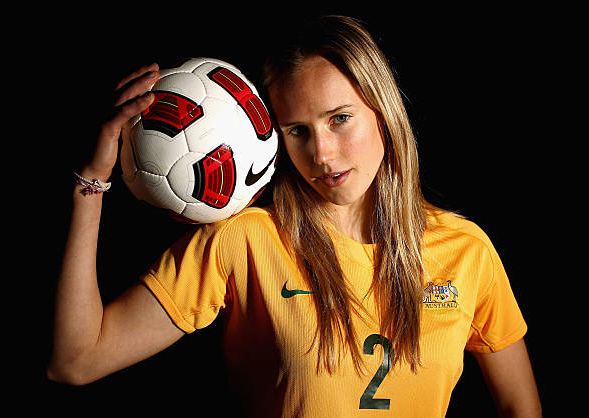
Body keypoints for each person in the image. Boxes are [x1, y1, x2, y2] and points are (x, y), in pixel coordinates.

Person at [47, 15, 541, 417]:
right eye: (298, 131)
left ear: (383, 113)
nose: (323, 153)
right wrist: (91, 183)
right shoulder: (243, 241)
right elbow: (77, 360)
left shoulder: (465, 249)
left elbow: (521, 404)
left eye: (340, 119)